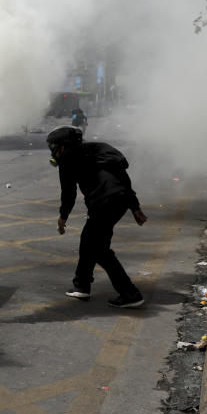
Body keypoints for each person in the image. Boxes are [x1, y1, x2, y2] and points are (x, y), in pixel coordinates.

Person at [47, 125, 147, 308]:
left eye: (53, 147)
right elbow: (123, 178)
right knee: (88, 241)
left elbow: (68, 193)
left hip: (103, 202)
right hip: (120, 200)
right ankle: (82, 286)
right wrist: (135, 207)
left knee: (98, 248)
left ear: (61, 146)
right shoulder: (100, 149)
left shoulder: (67, 159)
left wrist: (63, 218)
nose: (53, 151)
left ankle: (130, 294)